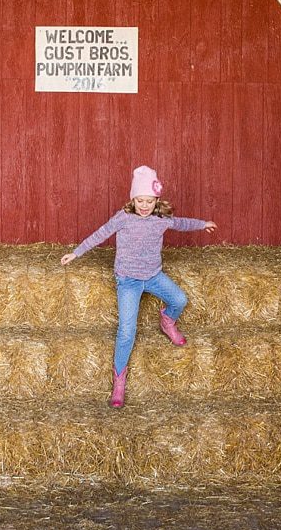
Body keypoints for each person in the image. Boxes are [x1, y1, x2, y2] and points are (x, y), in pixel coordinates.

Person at [61, 165, 217, 408]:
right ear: (133, 199)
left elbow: (182, 223)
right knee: (126, 331)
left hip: (153, 276)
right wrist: (76, 252)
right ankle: (119, 378)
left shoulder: (160, 219)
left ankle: (167, 320)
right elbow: (100, 234)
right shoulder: (123, 218)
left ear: (156, 200)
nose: (144, 206)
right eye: (140, 200)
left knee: (180, 300)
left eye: (149, 201)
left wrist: (202, 224)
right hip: (129, 281)